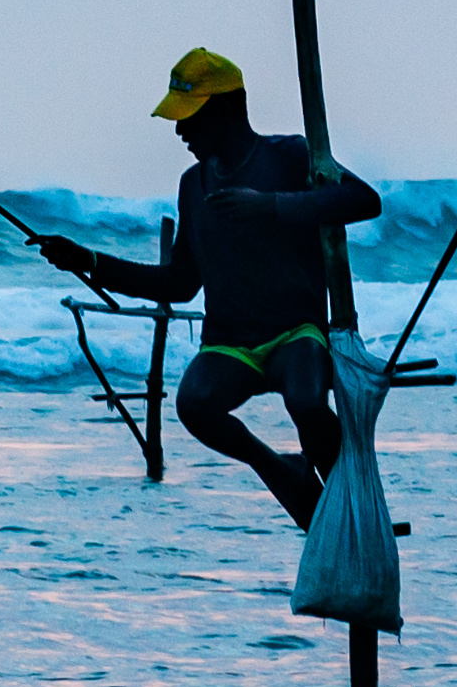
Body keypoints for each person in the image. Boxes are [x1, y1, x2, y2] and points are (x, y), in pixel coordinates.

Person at [38, 49, 381, 524]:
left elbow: (364, 200)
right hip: (230, 344)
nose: (180, 131)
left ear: (227, 110)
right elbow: (179, 284)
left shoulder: (288, 156)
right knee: (194, 403)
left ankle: (352, 505)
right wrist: (89, 261)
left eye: (190, 118)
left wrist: (270, 207)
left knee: (307, 402)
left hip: (295, 332)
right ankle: (281, 468)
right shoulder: (192, 185)